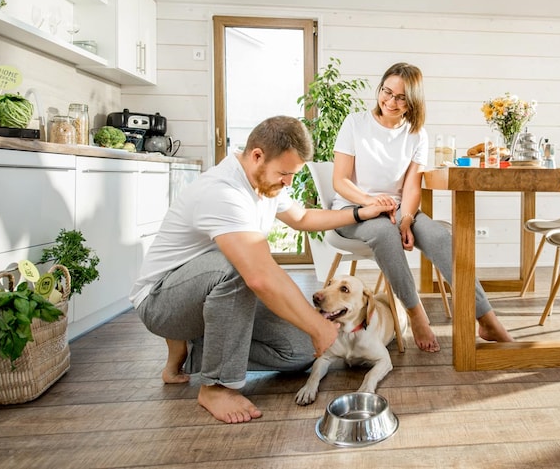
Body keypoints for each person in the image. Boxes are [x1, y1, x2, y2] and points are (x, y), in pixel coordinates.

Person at [129, 115, 394, 424]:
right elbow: (258, 275)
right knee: (242, 267)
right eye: (285, 173)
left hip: (213, 300)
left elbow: (304, 218)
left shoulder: (265, 184)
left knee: (300, 351)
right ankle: (216, 386)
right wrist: (318, 324)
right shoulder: (223, 191)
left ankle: (196, 352)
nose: (288, 182)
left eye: (292, 174)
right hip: (161, 302)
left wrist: (362, 212)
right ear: (257, 155)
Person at [331, 62, 514, 352]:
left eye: (401, 97)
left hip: (397, 210)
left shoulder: (417, 133)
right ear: (379, 89)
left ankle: (487, 318)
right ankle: (417, 315)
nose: (391, 102)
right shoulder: (355, 124)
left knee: (442, 237)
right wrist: (371, 202)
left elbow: (412, 186)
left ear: (413, 101)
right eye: (386, 92)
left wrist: (405, 219)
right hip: (354, 210)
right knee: (383, 232)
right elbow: (340, 180)